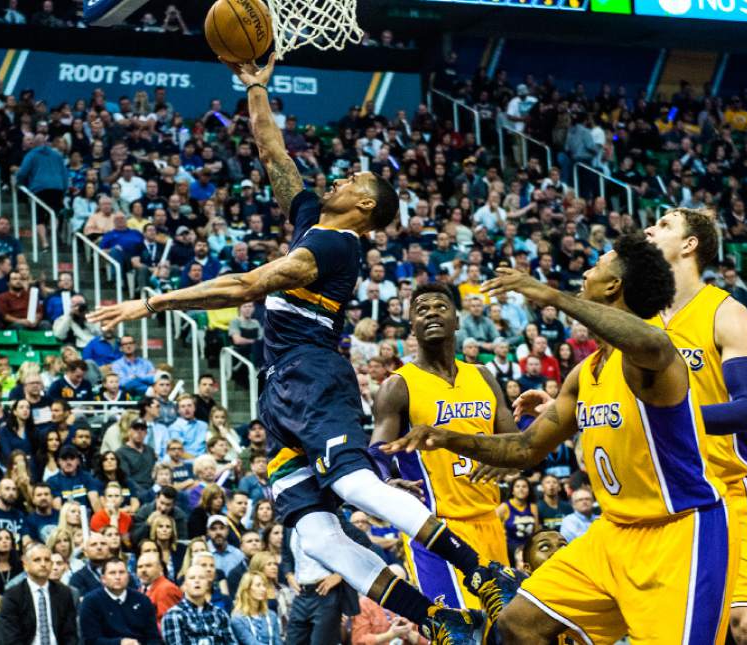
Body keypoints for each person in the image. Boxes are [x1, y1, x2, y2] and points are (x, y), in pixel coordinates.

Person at [91, 54, 506, 642]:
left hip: (314, 373)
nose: (338, 179)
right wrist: (256, 85)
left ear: (365, 207)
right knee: (312, 534)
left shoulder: (337, 249)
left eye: (353, 183)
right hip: (281, 384)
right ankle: (439, 619)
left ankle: (482, 573)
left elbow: (246, 286)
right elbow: (272, 154)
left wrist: (153, 304)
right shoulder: (313, 217)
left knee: (354, 487)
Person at [385, 232, 731, 644]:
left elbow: (651, 343)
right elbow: (524, 447)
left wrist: (553, 296)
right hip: (612, 532)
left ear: (614, 286)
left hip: (678, 533)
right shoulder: (584, 373)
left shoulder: (651, 355)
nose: (586, 270)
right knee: (516, 625)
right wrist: (446, 438)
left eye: (598, 263)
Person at [644, 208, 747, 644]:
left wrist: (679, 416)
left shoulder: (724, 312)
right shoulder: (639, 321)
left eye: (663, 225)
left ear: (689, 244)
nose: (649, 230)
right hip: (666, 500)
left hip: (728, 488)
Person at [371, 282, 516, 609]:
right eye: (421, 310)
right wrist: (383, 482)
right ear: (411, 325)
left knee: (502, 630)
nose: (432, 313)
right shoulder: (398, 386)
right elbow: (377, 452)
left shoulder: (483, 375)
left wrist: (508, 460)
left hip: (490, 522)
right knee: (460, 631)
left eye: (440, 307)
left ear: (458, 320)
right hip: (435, 529)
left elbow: (517, 446)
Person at [0, 543, 78, 645]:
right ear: (25, 565)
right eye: (37, 560)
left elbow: (70, 635)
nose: (43, 564)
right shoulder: (13, 596)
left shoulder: (64, 593)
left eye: (47, 560)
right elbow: (11, 638)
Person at [79, 557, 162, 644]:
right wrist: (119, 643)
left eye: (121, 572)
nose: (118, 577)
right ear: (103, 579)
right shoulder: (91, 601)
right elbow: (91, 640)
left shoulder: (142, 600)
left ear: (128, 576)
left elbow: (154, 637)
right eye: (112, 573)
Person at [162, 564, 238, 645]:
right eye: (192, 578)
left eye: (201, 578)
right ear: (185, 584)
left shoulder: (220, 614)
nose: (197, 581)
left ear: (207, 584)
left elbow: (232, 642)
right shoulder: (173, 615)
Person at [230, 570, 282, 645]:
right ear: (247, 589)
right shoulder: (237, 619)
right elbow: (251, 643)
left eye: (264, 585)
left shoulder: (272, 615)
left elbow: (278, 642)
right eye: (258, 585)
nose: (263, 589)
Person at [137, 550, 182, 629]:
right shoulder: (141, 590)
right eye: (140, 567)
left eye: (148, 566)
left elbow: (167, 625)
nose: (143, 570)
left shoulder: (166, 589)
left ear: (160, 568)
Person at [497, 478, 539, 556]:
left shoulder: (533, 507)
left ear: (529, 490)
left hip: (528, 547)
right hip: (509, 548)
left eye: (524, 486)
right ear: (512, 491)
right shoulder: (504, 507)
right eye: (517, 486)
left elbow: (536, 531)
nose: (521, 489)